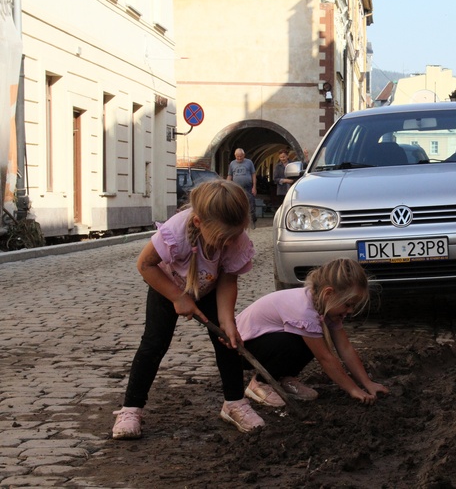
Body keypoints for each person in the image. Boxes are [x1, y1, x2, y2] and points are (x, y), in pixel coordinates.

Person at [112, 179, 264, 439]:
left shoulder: (234, 238)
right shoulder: (176, 231)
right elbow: (145, 264)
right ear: (198, 223)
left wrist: (228, 320)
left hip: (210, 287)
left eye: (232, 238)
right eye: (221, 239)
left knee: (227, 341)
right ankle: (131, 408)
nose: (228, 244)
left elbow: (228, 280)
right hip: (167, 285)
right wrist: (177, 297)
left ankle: (235, 403)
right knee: (153, 343)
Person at [235, 258, 390, 407]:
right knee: (301, 341)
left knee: (311, 338)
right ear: (328, 293)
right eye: (348, 305)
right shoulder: (304, 311)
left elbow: (345, 348)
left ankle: (283, 378)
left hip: (261, 345)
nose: (350, 311)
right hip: (240, 351)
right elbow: (325, 358)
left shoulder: (326, 306)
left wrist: (367, 383)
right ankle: (261, 383)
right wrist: (353, 389)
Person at [227, 148, 257, 227]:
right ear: (235, 156)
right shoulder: (232, 164)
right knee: (236, 204)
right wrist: (227, 185)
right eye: (237, 156)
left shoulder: (249, 162)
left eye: (241, 156)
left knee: (251, 204)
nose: (239, 158)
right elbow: (230, 175)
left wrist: (254, 186)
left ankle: (252, 221)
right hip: (236, 187)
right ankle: (238, 221)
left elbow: (253, 174)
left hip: (248, 187)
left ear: (244, 155)